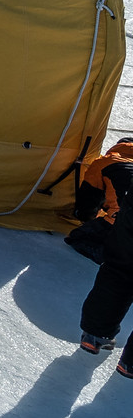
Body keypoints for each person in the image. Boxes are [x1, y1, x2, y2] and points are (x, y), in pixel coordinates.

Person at [77, 140, 133, 378]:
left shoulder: (105, 162)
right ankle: (129, 364)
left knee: (119, 268)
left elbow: (85, 204)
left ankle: (95, 335)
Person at [66, 138, 133, 263]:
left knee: (76, 237)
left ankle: (111, 255)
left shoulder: (104, 162)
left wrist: (84, 217)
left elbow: (89, 197)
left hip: (122, 222)